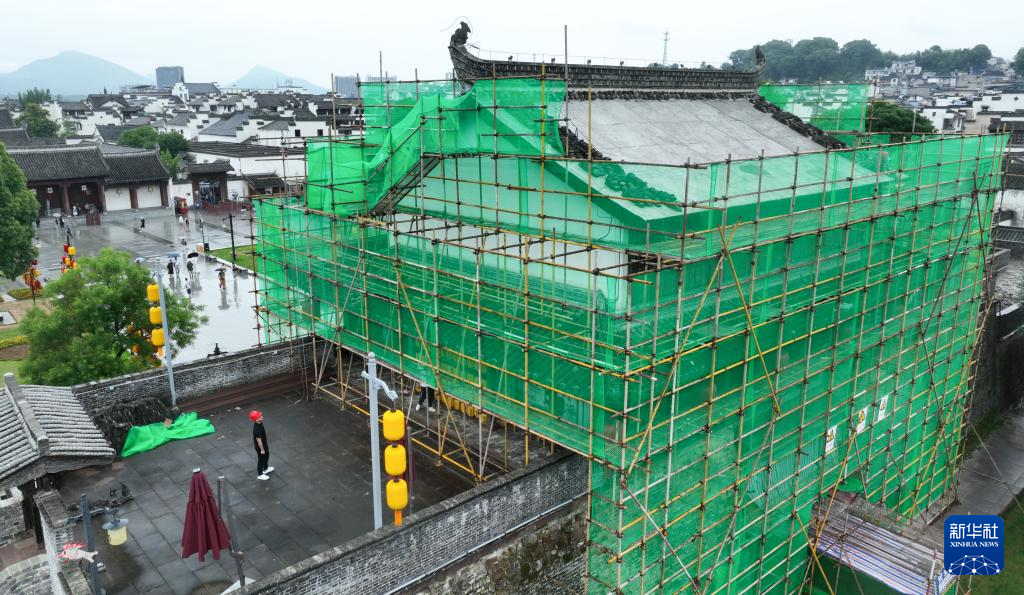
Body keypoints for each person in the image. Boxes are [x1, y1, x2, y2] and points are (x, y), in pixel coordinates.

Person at [251, 410, 273, 480]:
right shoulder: (257, 429)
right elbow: (259, 441)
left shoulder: (260, 422)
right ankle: (260, 474)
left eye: (260, 415)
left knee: (267, 455)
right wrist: (262, 450)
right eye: (260, 416)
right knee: (261, 459)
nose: (262, 416)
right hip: (260, 447)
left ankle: (266, 468)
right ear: (256, 419)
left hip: (264, 444)